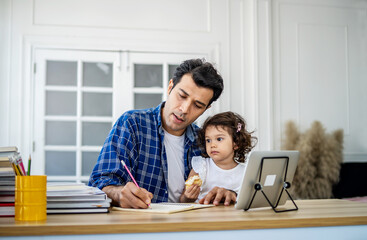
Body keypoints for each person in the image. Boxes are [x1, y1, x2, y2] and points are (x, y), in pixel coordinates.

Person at [88, 58, 226, 209]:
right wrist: (119, 194)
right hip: (141, 227)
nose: (185, 109)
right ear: (170, 87)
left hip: (191, 228)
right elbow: (98, 182)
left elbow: (222, 180)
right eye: (182, 96)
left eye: (197, 105)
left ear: (206, 109)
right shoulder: (132, 124)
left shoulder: (205, 141)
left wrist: (228, 193)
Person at [180, 111, 257, 205]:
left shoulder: (247, 172)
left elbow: (251, 202)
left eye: (219, 139)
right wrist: (188, 198)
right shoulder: (201, 166)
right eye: (208, 140)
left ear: (236, 143)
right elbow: (182, 200)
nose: (212, 145)